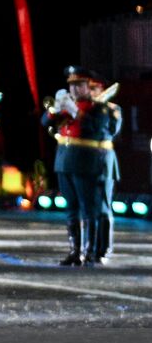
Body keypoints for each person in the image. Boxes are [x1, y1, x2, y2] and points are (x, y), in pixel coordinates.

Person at [41, 65, 118, 266]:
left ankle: (89, 250)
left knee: (89, 208)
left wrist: (76, 112)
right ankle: (75, 250)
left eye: (79, 85)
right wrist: (55, 110)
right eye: (72, 85)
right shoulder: (68, 106)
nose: (75, 89)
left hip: (86, 162)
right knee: (71, 209)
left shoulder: (99, 107)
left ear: (87, 86)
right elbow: (44, 123)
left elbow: (96, 128)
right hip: (64, 161)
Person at [91, 74, 121, 262]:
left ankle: (104, 248)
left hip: (103, 160)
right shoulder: (86, 109)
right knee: (89, 206)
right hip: (86, 160)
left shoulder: (111, 109)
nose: (90, 92)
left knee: (103, 205)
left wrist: (99, 108)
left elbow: (110, 131)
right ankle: (91, 246)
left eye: (93, 89)